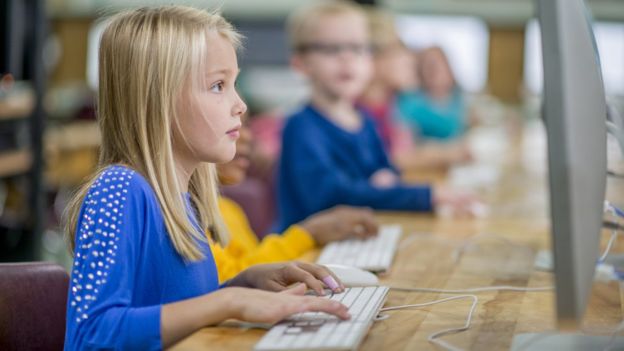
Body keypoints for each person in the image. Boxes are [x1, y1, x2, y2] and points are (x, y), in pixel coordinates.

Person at [63, 7, 350, 350]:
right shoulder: (119, 189)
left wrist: (243, 284)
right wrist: (227, 303)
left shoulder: (184, 200)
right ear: (159, 98)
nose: (240, 104)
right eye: (218, 85)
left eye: (234, 84)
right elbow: (91, 334)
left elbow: (175, 307)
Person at [274, 1, 474, 232]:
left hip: (352, 239)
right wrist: (425, 195)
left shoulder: (366, 121)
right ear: (300, 63)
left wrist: (387, 178)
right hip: (305, 253)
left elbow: (388, 171)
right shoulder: (301, 127)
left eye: (358, 48)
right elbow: (332, 196)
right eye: (331, 49)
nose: (347, 58)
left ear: (370, 61)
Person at [214, 121, 378, 282]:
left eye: (246, 125)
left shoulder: (229, 208)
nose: (248, 136)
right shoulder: (197, 216)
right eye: (231, 124)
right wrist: (308, 233)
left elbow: (252, 270)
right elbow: (235, 281)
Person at [359, 10, 471, 170]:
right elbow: (391, 160)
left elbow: (403, 150)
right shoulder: (360, 110)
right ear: (375, 59)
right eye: (399, 48)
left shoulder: (391, 102)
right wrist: (445, 153)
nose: (410, 56)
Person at [397, 46, 469, 140]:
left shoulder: (457, 96)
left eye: (440, 65)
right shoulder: (411, 102)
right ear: (420, 72)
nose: (436, 71)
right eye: (429, 66)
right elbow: (405, 145)